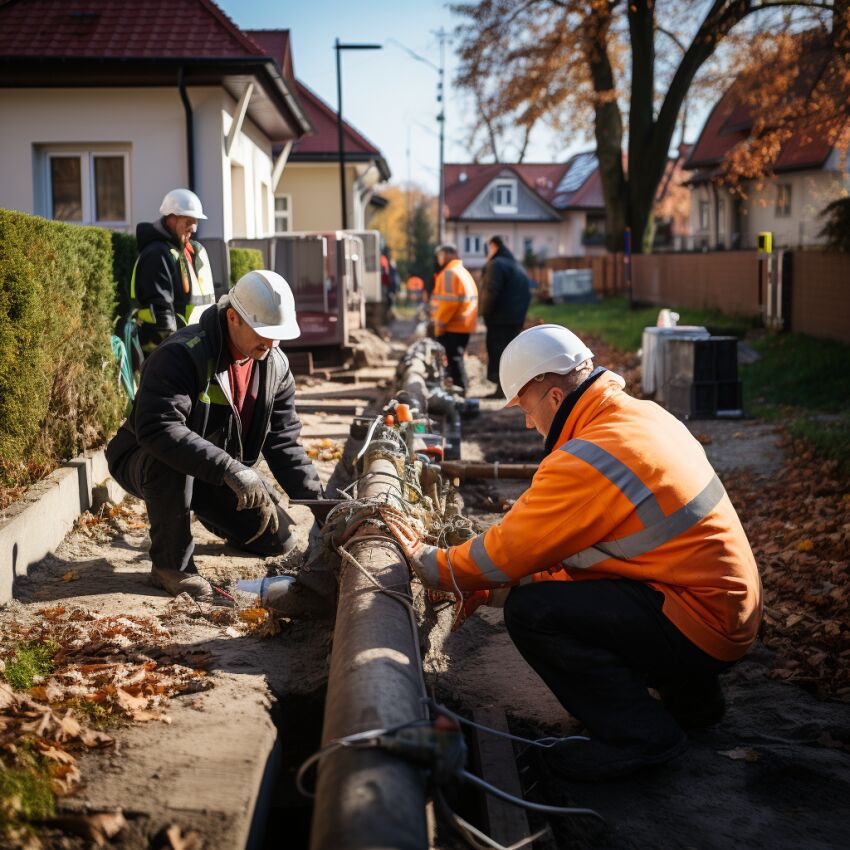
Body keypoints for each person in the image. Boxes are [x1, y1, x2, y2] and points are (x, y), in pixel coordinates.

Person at [392, 324, 762, 780]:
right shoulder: (640, 416)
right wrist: (487, 592)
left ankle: (641, 736)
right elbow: (588, 562)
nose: (528, 423)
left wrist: (433, 564)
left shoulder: (590, 457)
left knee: (533, 614)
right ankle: (694, 701)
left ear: (551, 396)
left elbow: (508, 551)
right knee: (583, 597)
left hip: (700, 622)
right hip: (726, 609)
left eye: (526, 408)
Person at [106, 270, 324, 602]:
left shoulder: (274, 366)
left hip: (213, 470)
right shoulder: (182, 354)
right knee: (170, 459)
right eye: (264, 332)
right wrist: (230, 469)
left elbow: (283, 441)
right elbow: (158, 428)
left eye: (278, 335)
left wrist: (324, 508)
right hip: (146, 458)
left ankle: (200, 507)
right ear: (233, 317)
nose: (272, 344)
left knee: (276, 540)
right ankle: (171, 565)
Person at [130, 188, 215, 356]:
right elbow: (161, 310)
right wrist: (172, 352)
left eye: (196, 221)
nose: (194, 228)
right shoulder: (157, 255)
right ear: (171, 219)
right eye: (189, 220)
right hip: (166, 351)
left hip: (190, 344)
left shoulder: (181, 250)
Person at [479, 235, 531, 397]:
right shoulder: (516, 265)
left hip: (499, 320)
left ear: (493, 246)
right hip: (515, 319)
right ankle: (511, 388)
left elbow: (491, 291)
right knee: (511, 353)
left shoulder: (496, 265)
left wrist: (484, 313)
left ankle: (502, 389)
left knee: (498, 353)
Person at [430, 244, 478, 395]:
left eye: (440, 256)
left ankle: (460, 394)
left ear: (446, 255)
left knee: (454, 362)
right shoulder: (462, 271)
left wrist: (439, 327)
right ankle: (461, 392)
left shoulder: (449, 273)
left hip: (452, 326)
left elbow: (448, 303)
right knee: (457, 360)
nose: (439, 259)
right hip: (463, 324)